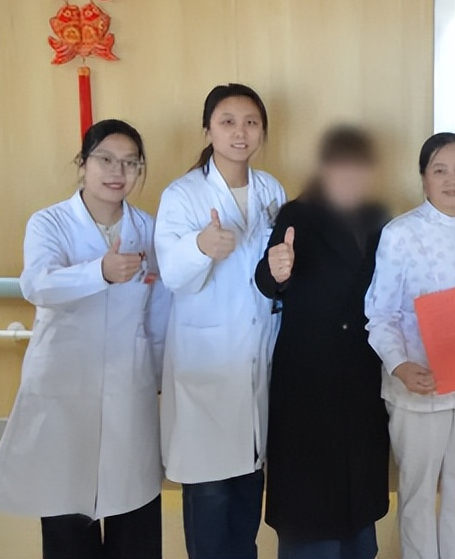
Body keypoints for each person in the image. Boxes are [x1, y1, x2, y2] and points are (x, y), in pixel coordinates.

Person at [0, 119, 169, 559]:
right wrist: (100, 271)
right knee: (67, 519)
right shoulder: (49, 222)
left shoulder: (148, 229)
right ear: (83, 163)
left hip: (128, 384)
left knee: (134, 514)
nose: (117, 171)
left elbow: (159, 311)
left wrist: (158, 375)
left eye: (130, 163)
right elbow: (37, 284)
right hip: (64, 384)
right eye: (106, 159)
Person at [155, 83, 286, 559]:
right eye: (227, 121)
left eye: (251, 122)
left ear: (262, 131)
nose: (240, 132)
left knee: (247, 503)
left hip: (255, 364)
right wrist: (200, 247)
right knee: (209, 506)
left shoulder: (271, 190)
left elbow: (273, 274)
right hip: (205, 365)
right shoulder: (183, 194)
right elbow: (172, 274)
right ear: (208, 129)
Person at [364, 132, 455, 559]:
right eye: (439, 170)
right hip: (419, 379)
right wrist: (400, 366)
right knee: (418, 488)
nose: (451, 179)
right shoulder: (400, 233)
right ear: (423, 177)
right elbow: (380, 313)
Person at [255, 126, 391, 559]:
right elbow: (267, 278)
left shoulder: (379, 219)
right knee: (309, 503)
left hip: (361, 375)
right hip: (308, 377)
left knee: (358, 497)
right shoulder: (297, 214)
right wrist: (276, 271)